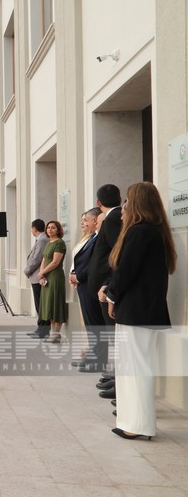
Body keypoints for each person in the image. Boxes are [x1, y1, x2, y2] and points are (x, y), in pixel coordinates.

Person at [105, 182, 176, 440]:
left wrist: (111, 294)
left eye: (127, 201)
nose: (123, 206)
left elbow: (126, 271)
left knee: (134, 370)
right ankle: (137, 422)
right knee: (139, 369)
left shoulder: (140, 232)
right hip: (148, 311)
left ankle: (136, 425)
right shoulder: (156, 231)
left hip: (136, 312)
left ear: (136, 203)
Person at [86, 184, 123, 377]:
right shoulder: (113, 218)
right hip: (104, 287)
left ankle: (115, 377)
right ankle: (113, 376)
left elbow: (119, 254)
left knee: (113, 335)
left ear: (98, 202)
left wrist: (107, 283)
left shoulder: (113, 219)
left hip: (107, 287)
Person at [69, 208, 104, 365]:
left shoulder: (98, 238)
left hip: (90, 285)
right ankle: (94, 355)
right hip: (84, 285)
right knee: (91, 325)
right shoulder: (91, 238)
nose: (83, 223)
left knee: (96, 325)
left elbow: (94, 264)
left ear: (95, 221)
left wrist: (78, 276)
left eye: (86, 220)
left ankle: (98, 359)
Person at [38, 221, 67, 343]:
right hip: (46, 277)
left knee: (56, 305)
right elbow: (44, 260)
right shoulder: (49, 243)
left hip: (55, 277)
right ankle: (52, 334)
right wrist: (41, 275)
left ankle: (55, 334)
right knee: (49, 305)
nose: (50, 229)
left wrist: (42, 272)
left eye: (53, 228)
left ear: (58, 230)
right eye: (48, 227)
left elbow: (55, 262)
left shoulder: (60, 243)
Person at [24, 219, 51, 338]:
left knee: (41, 304)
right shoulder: (41, 239)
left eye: (31, 228)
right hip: (35, 277)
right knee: (39, 304)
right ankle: (40, 328)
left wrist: (27, 270)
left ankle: (43, 330)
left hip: (38, 276)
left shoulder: (42, 240)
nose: (31, 230)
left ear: (34, 228)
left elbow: (36, 258)